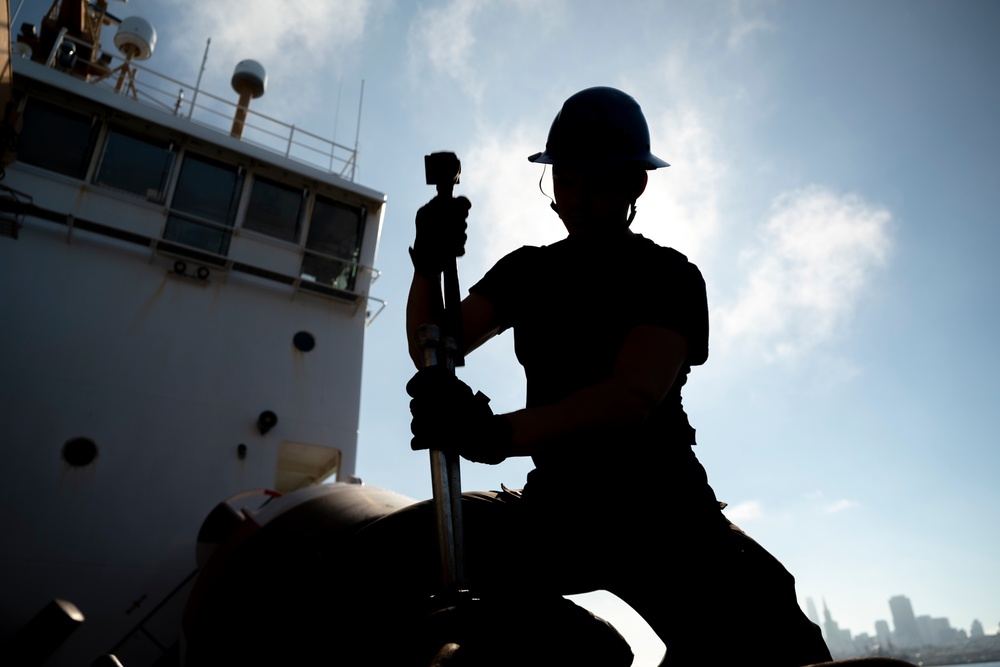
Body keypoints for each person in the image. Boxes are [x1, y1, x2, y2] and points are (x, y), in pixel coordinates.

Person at [398, 87, 833, 666]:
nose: (574, 198)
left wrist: (495, 435)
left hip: (663, 512)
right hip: (556, 508)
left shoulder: (669, 276)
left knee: (776, 635)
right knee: (398, 553)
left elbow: (632, 396)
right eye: (565, 180)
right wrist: (428, 264)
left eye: (594, 182)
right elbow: (434, 345)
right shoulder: (529, 270)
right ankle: (587, 647)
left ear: (636, 185)